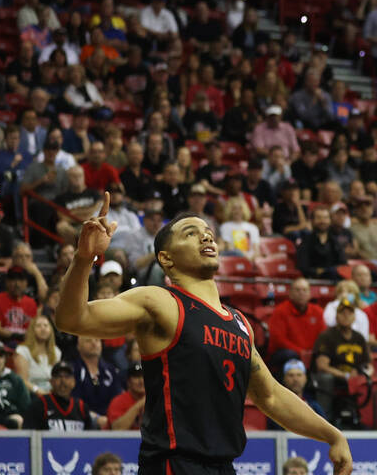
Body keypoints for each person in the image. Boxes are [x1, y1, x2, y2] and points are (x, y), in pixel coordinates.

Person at [54, 193, 353, 475]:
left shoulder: (239, 323)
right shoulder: (161, 302)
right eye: (190, 233)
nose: (206, 236)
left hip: (224, 465)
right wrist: (83, 259)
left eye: (207, 231)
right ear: (166, 259)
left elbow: (271, 396)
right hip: (174, 463)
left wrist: (332, 434)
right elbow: (71, 318)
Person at [312, 298, 372, 423]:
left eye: (349, 313)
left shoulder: (359, 337)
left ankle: (367, 421)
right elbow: (322, 365)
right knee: (326, 378)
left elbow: (368, 364)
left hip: (354, 375)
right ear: (336, 317)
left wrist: (367, 374)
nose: (346, 316)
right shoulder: (327, 336)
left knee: (371, 381)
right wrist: (345, 375)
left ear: (354, 317)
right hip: (335, 375)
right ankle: (324, 419)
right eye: (342, 313)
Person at [267, 277, 327, 362]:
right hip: (286, 354)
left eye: (304, 290)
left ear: (310, 294)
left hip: (311, 353)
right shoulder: (280, 311)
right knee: (290, 355)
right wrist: (300, 352)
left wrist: (312, 352)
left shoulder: (318, 311)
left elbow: (323, 336)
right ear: (290, 293)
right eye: (297, 290)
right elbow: (279, 340)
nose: (301, 293)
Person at [24, 360, 94, 430]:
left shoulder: (81, 407)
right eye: (58, 376)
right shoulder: (40, 405)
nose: (62, 380)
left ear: (74, 382)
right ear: (51, 382)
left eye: (67, 376)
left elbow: (90, 437)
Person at [0, 266, 38, 343]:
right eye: (13, 279)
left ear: (26, 283)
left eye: (21, 280)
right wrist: (15, 335)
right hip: (3, 342)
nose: (17, 284)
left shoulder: (31, 303)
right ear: (7, 282)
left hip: (26, 344)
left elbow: (33, 329)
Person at [268, 359, 324, 430]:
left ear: (305, 378)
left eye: (299, 375)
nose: (295, 379)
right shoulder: (276, 408)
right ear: (284, 379)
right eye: (291, 375)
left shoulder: (314, 407)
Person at [107, 362, 146, 430]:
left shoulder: (154, 401)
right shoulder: (118, 401)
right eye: (136, 377)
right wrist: (139, 405)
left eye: (144, 376)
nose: (141, 381)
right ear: (128, 382)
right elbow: (117, 429)